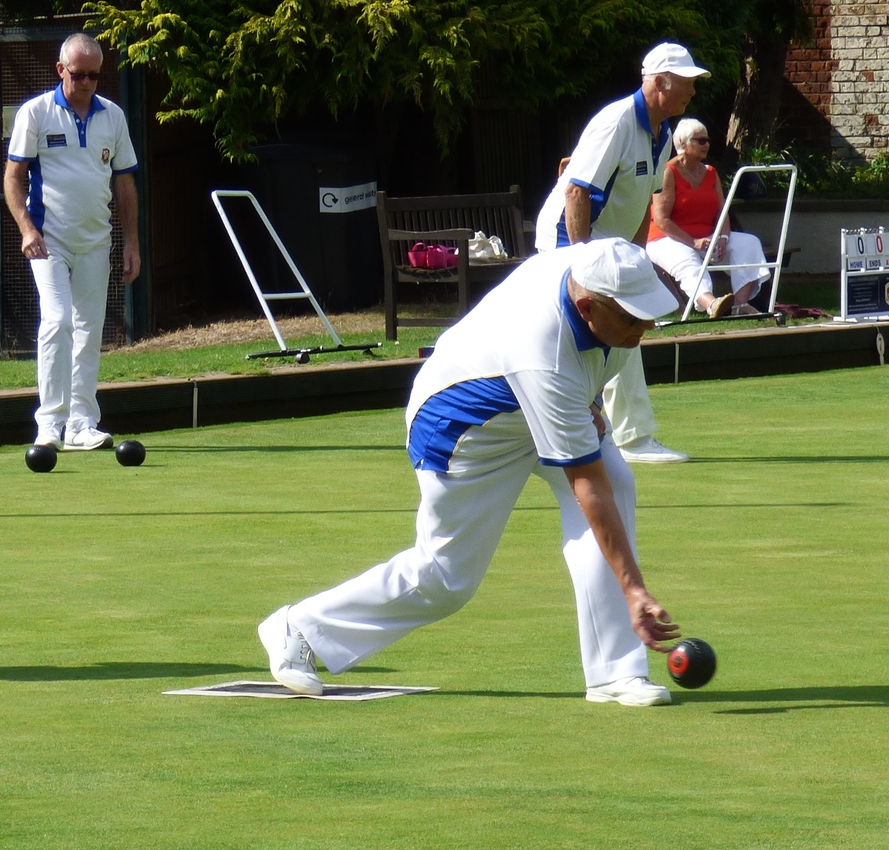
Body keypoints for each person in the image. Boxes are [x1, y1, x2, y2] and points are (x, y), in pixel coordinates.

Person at [258, 239, 684, 706]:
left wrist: (588, 402)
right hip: (465, 425)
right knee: (444, 578)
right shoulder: (542, 345)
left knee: (619, 482)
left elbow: (583, 380)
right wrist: (634, 589)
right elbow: (587, 483)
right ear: (586, 307)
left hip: (537, 399)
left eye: (648, 314)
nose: (644, 326)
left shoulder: (598, 274)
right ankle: (300, 627)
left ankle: (616, 673)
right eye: (632, 317)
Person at [535, 42, 709, 466]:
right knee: (612, 326)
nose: (692, 91)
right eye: (686, 82)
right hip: (569, 238)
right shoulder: (615, 123)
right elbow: (576, 189)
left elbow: (642, 201)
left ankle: (609, 430)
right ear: (660, 82)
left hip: (610, 244)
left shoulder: (664, 132)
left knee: (622, 328)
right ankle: (628, 438)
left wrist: (634, 255)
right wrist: (579, 258)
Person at [3, 33, 141, 451]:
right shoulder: (36, 113)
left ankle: (81, 423)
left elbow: (125, 181)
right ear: (61, 69)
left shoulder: (113, 116)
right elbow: (12, 178)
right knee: (58, 320)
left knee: (88, 329)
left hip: (97, 241)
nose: (86, 83)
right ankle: (49, 424)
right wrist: (27, 229)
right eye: (78, 74)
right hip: (48, 241)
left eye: (94, 75)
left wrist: (131, 242)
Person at [647, 118, 771, 318]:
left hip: (706, 237)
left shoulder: (711, 172)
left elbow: (722, 212)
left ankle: (740, 305)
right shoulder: (667, 172)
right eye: (701, 140)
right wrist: (693, 242)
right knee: (686, 258)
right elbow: (661, 220)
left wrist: (722, 238)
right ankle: (712, 304)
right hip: (665, 238)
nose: (707, 145)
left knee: (749, 243)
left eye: (707, 140)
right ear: (683, 143)